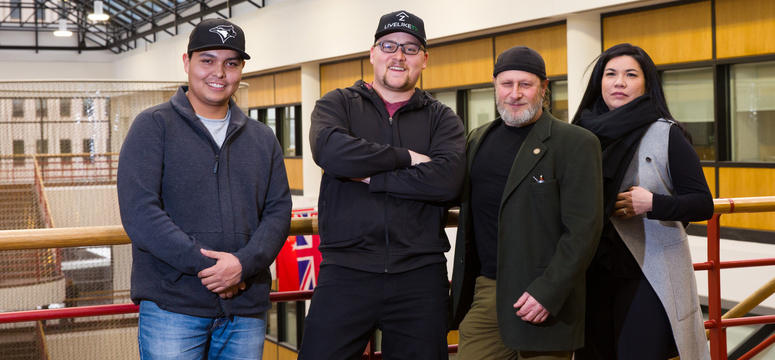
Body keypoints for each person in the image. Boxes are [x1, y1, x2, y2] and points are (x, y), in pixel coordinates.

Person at [117, 18, 291, 360]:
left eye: (231, 63)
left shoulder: (262, 137)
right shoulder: (153, 126)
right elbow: (141, 213)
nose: (219, 73)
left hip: (245, 309)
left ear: (241, 69)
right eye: (207, 60)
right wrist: (210, 268)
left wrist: (242, 265)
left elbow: (278, 212)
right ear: (187, 62)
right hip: (173, 307)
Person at [298, 10, 465, 360]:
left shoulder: (441, 118)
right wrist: (407, 157)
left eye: (410, 48)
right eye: (389, 45)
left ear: (424, 59)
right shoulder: (338, 103)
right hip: (346, 270)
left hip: (419, 275)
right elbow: (330, 151)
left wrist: (371, 175)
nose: (399, 56)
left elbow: (448, 181)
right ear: (373, 53)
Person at [449, 46, 604, 360]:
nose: (515, 93)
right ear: (495, 85)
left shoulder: (576, 143)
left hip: (543, 299)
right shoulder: (476, 140)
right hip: (486, 293)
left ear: (544, 88)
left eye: (526, 84)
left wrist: (549, 291)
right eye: (507, 84)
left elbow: (583, 230)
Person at [572, 43, 713, 360]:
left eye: (630, 74)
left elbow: (703, 203)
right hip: (590, 270)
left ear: (647, 83)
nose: (618, 82)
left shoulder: (666, 134)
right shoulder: (579, 134)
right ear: (599, 82)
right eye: (610, 74)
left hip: (646, 273)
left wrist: (652, 203)